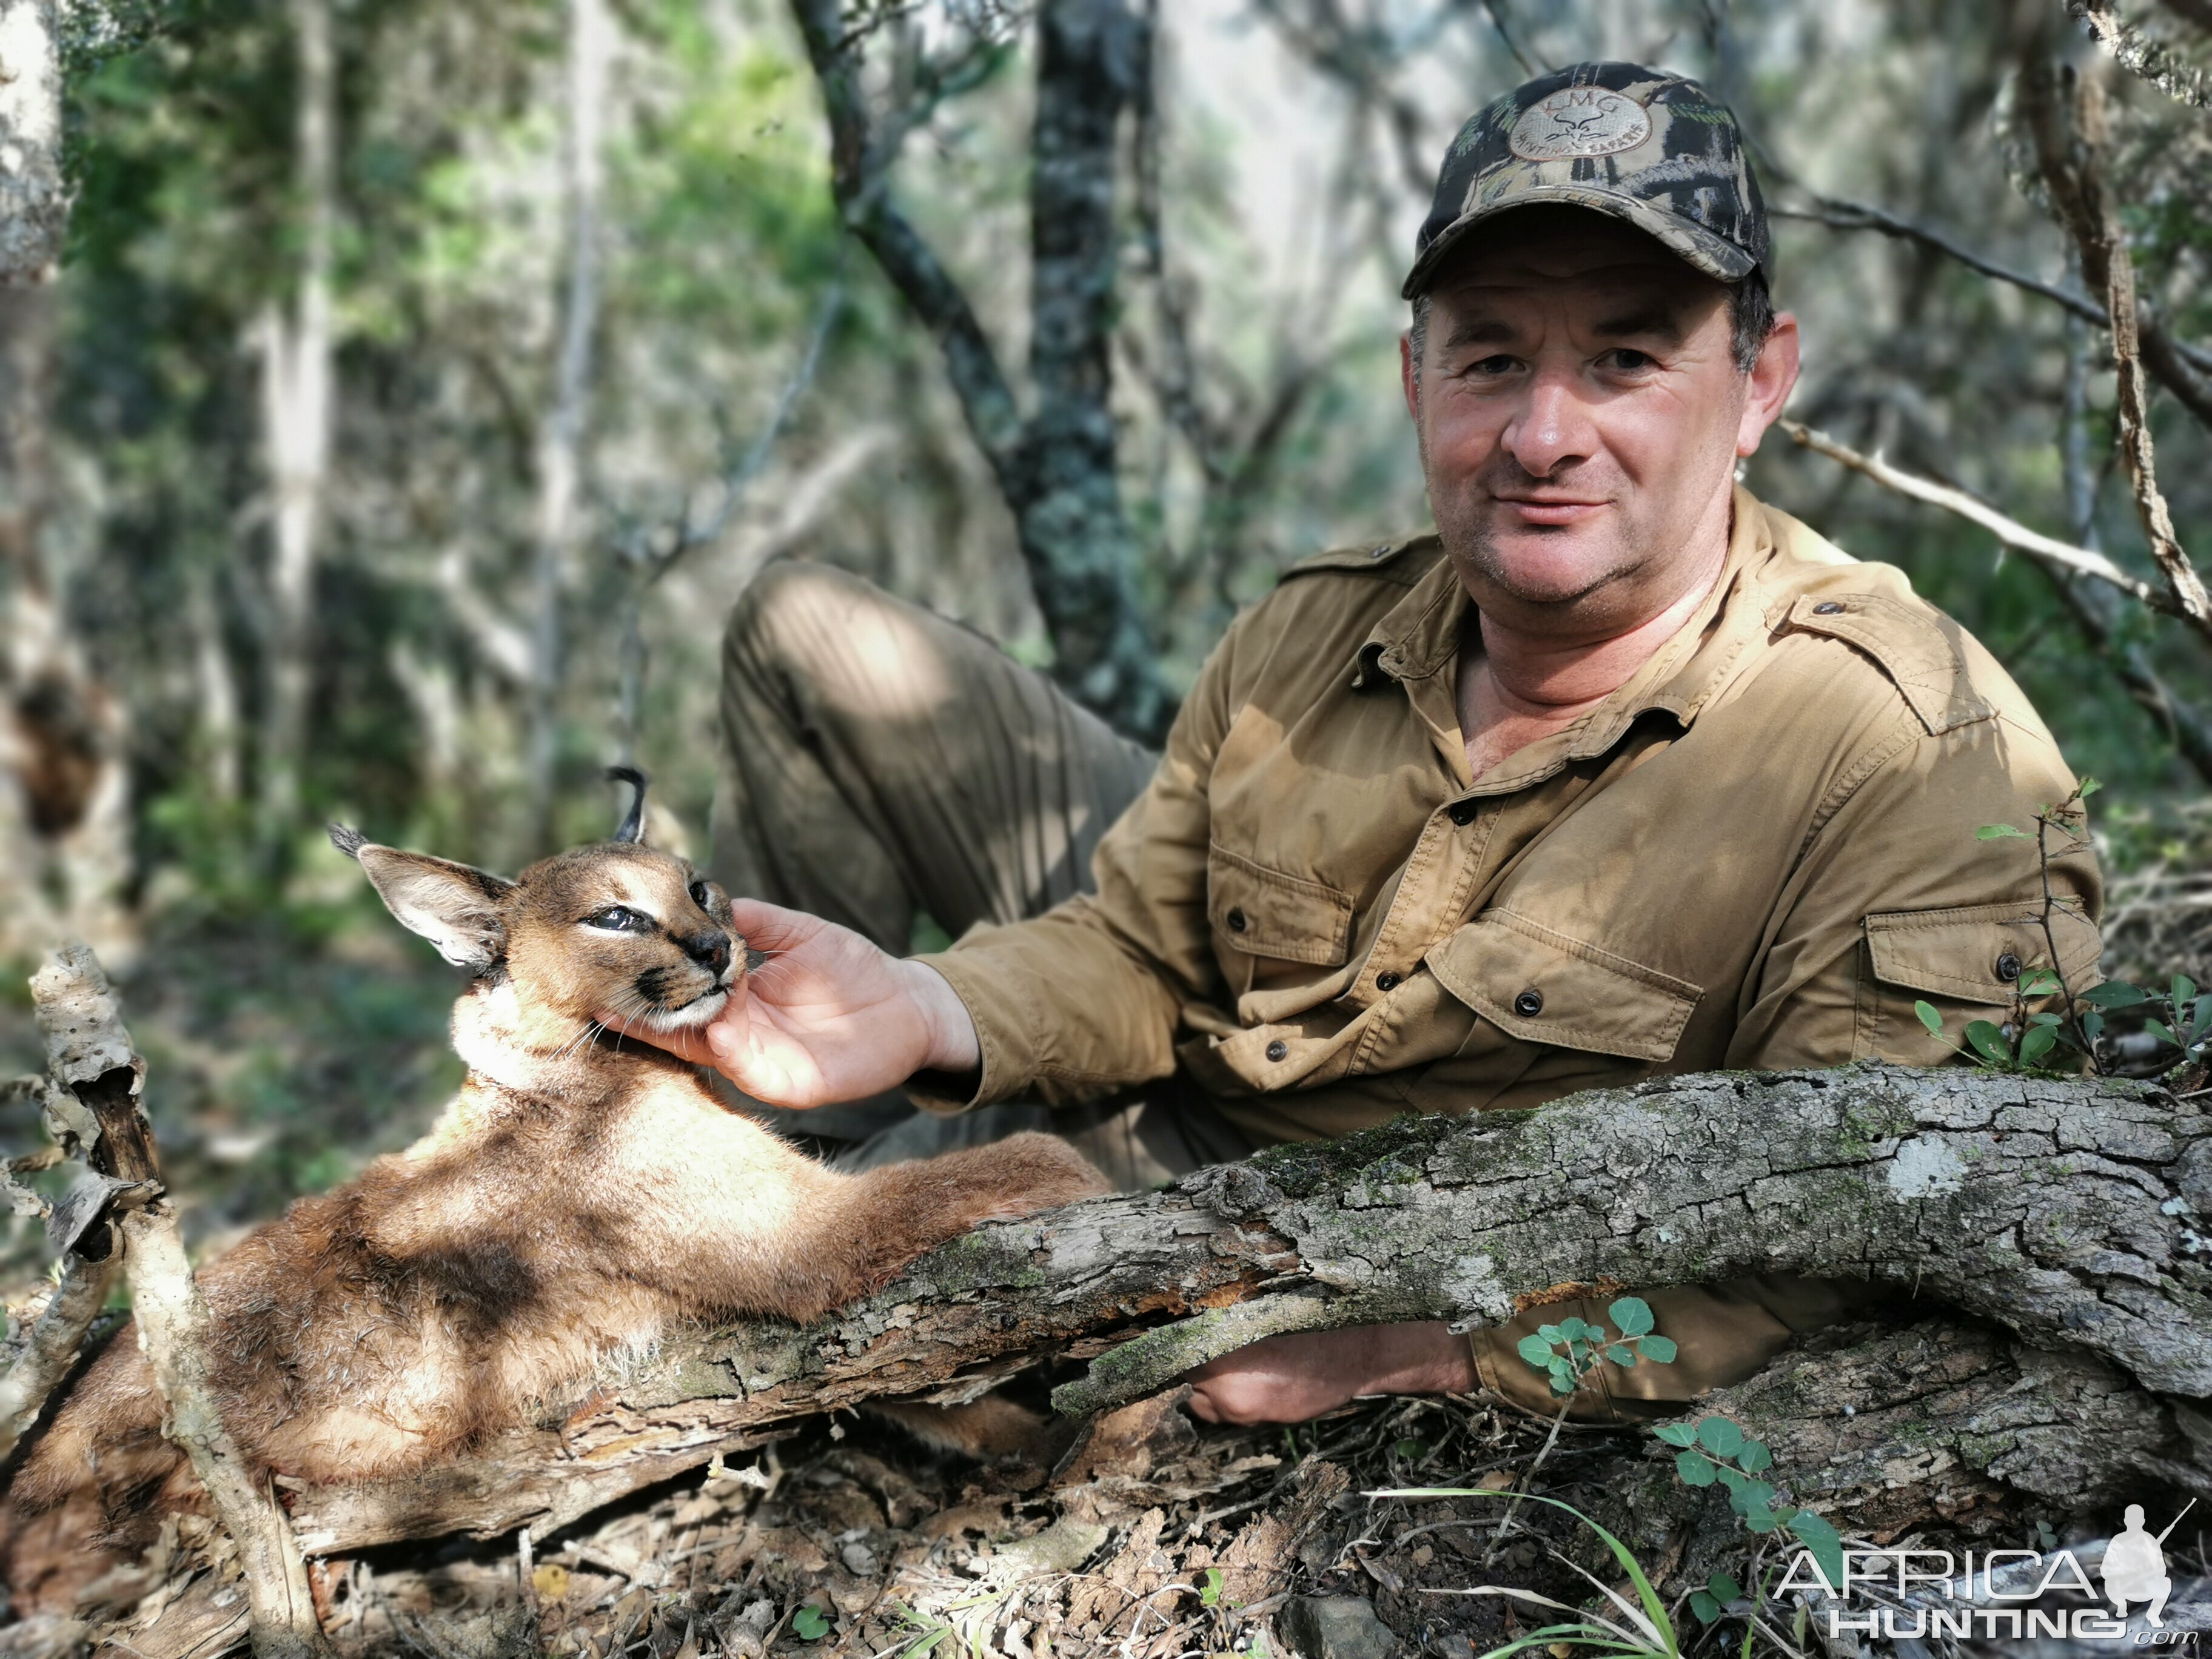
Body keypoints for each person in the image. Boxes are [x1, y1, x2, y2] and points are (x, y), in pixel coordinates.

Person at [613, 61, 2100, 1426]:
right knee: (807, 641)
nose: (1542, 434)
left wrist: (1439, 1354)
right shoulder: (1319, 630)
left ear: (1760, 381)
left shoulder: (1910, 756)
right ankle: (835, 1103)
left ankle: (840, 1181)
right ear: (1416, 378)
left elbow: (1865, 1240)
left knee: (694, 1329)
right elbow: (1144, 950)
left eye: (1630, 360)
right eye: (1492, 360)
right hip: (1188, 1067)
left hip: (1285, 1204)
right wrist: (932, 1008)